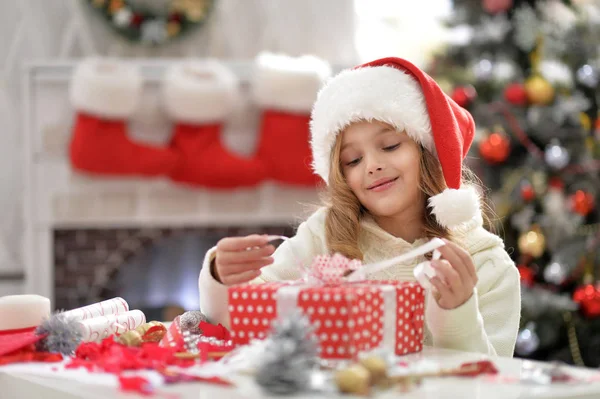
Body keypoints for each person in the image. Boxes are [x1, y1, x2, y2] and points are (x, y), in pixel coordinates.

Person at [198, 57, 521, 357]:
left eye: (390, 145)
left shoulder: (487, 264)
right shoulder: (324, 237)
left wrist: (458, 315)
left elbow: (489, 381)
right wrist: (222, 280)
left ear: (430, 152)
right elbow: (240, 324)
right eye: (353, 160)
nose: (372, 166)